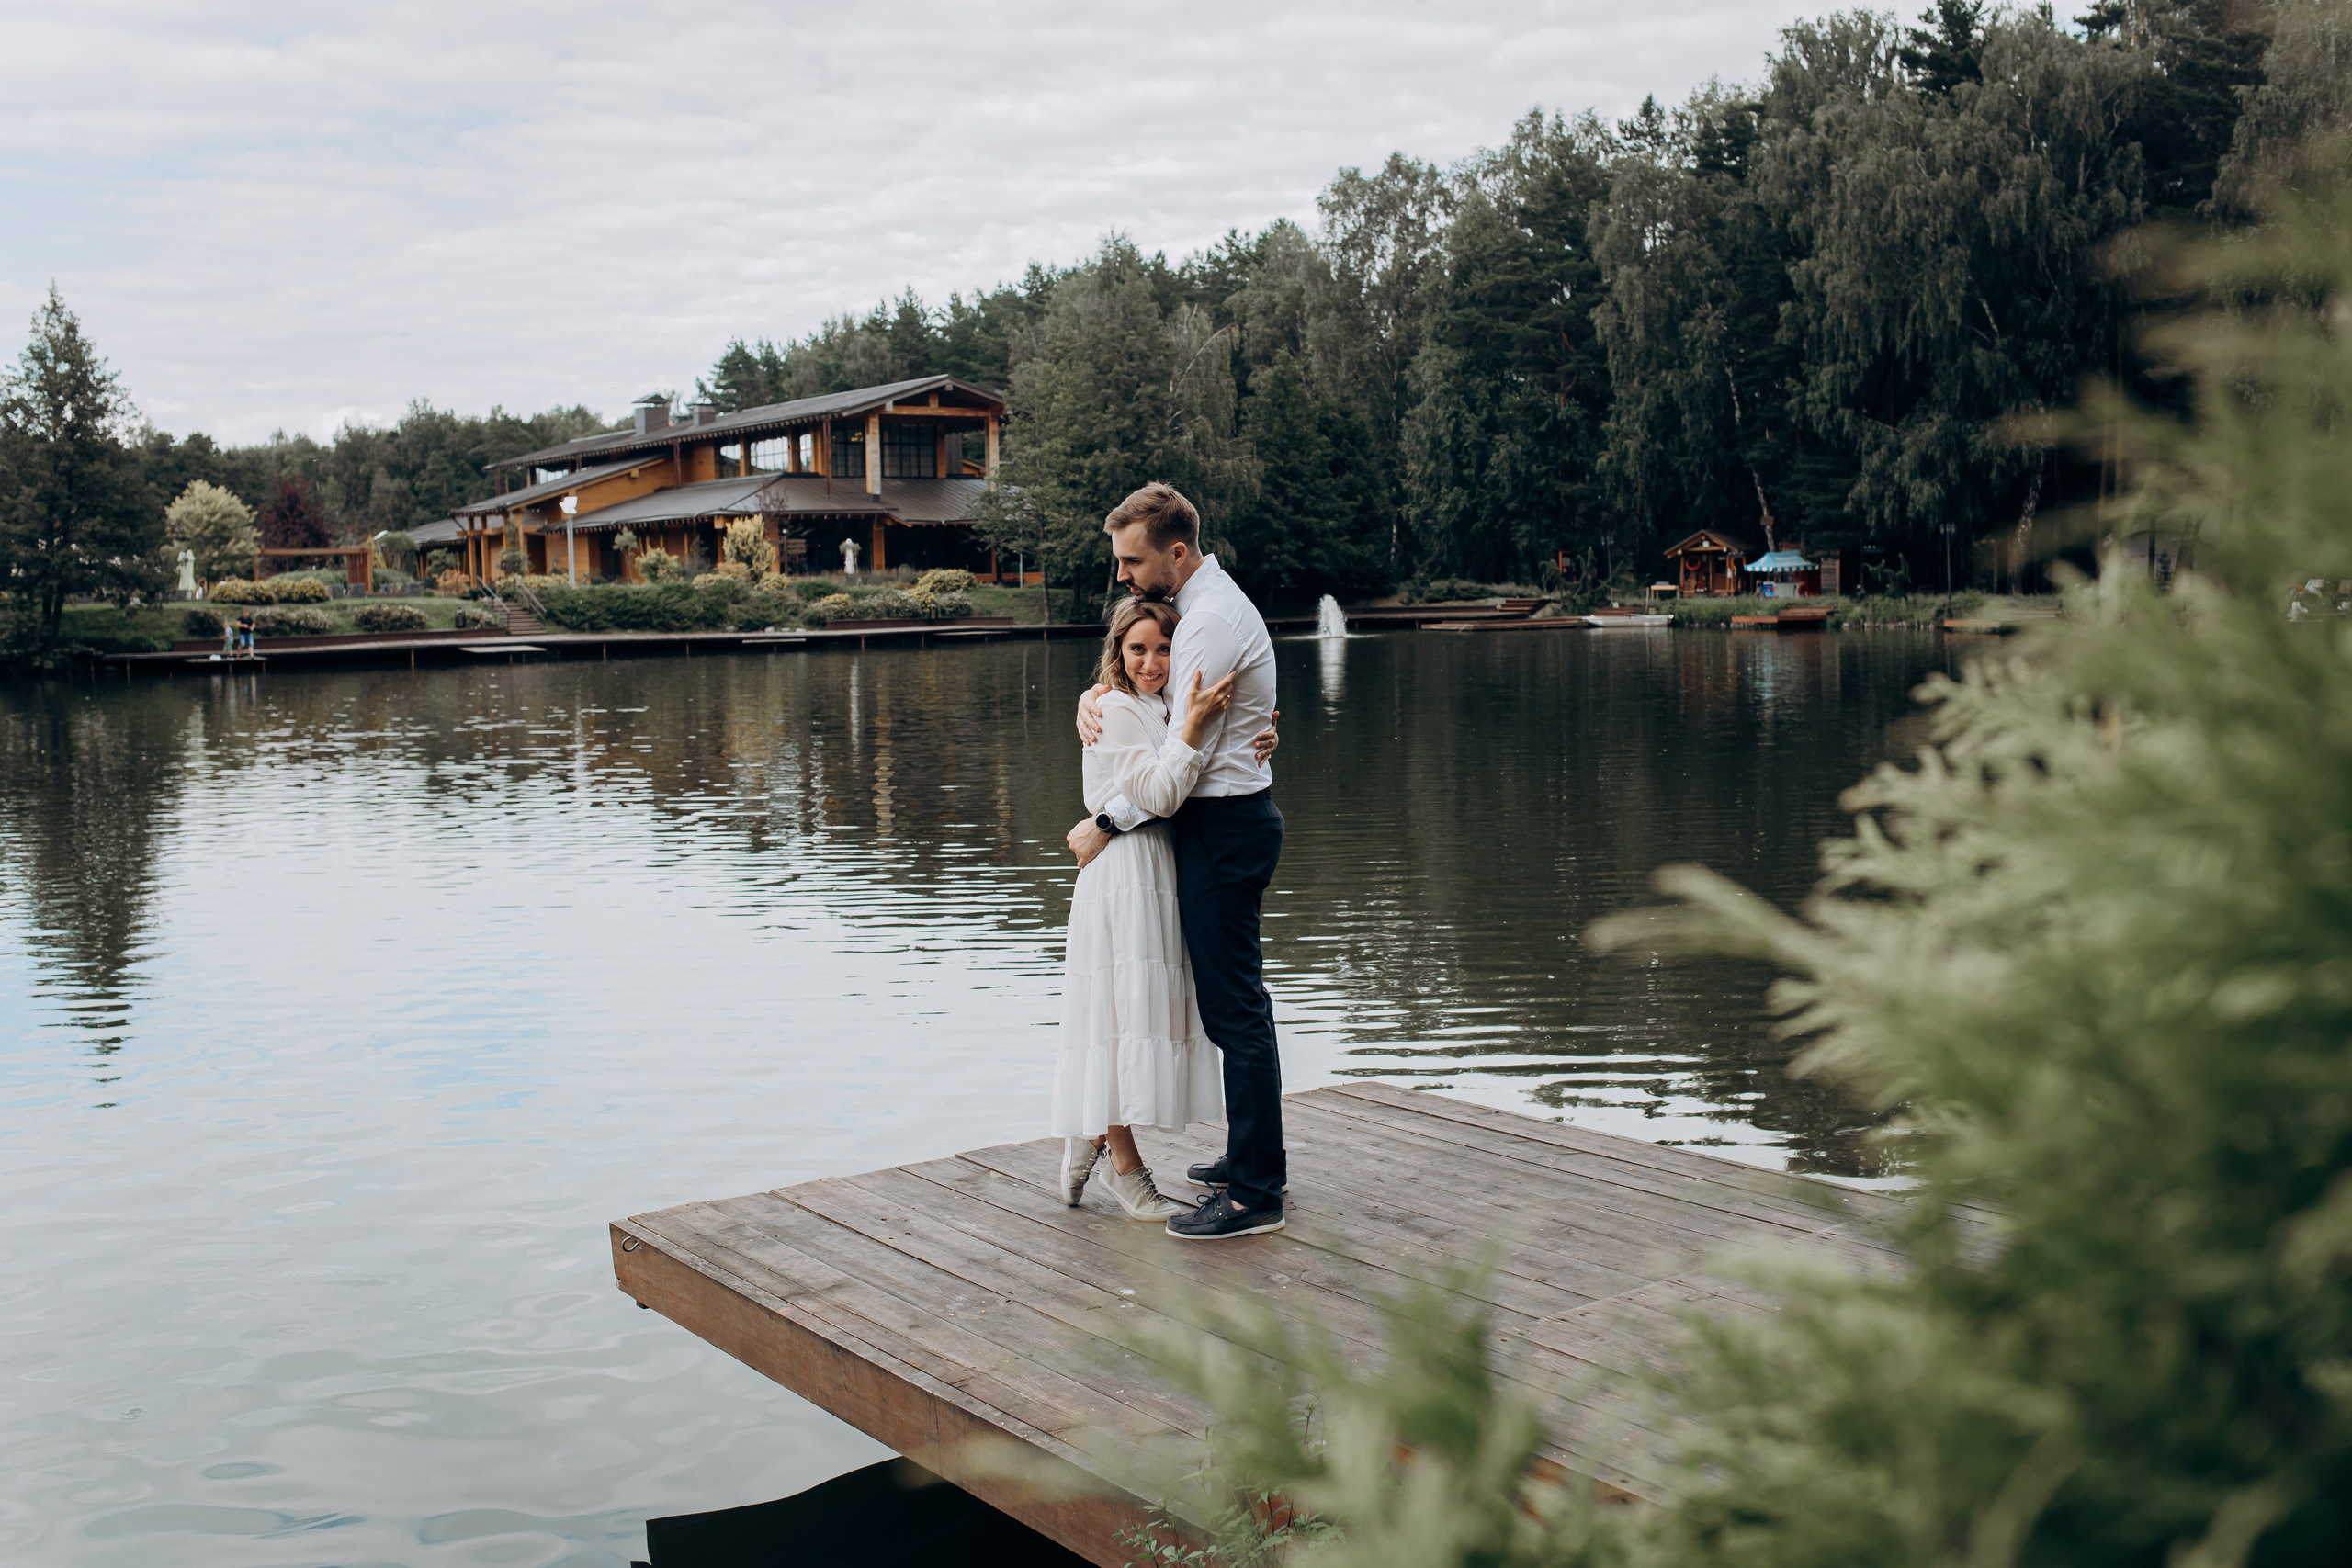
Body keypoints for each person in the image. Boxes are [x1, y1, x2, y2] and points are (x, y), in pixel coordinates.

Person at [1068, 482, 1285, 1241]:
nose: (1123, 574)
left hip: (1222, 827)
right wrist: (1100, 694)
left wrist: (1104, 820)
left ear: (1177, 552)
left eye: (1132, 560)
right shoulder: (1200, 611)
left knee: (1235, 1011)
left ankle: (1255, 1194)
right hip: (1220, 824)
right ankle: (1251, 1158)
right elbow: (1170, 732)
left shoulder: (1207, 622)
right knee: (1235, 1006)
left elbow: (1173, 768)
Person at [1055, 597, 1241, 1222]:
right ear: (1118, 650)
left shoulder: (1165, 706)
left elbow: (1187, 786)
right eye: (1138, 648)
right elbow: (1161, 794)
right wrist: (1192, 732)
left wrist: (1255, 739)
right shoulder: (1112, 707)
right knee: (1118, 1016)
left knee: (1141, 1011)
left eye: (1164, 648)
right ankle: (1125, 1166)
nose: (1152, 662)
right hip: (1123, 875)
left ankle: (1094, 1133)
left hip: (1158, 865)